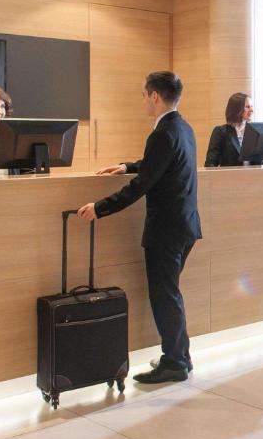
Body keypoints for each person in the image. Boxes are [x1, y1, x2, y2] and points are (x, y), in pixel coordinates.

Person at [77, 71, 202, 384]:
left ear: (154, 96)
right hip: (186, 226)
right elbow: (160, 164)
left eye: (145, 95)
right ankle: (181, 356)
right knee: (170, 293)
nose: (144, 101)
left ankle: (175, 362)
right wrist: (128, 165)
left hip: (166, 230)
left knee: (165, 296)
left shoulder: (162, 133)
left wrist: (100, 207)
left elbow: (142, 185)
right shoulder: (182, 127)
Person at [205, 92, 254, 167]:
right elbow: (210, 164)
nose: (252, 110)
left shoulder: (254, 132)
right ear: (237, 109)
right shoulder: (221, 132)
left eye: (251, 106)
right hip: (230, 174)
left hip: (253, 174)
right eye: (247, 107)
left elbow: (260, 160)